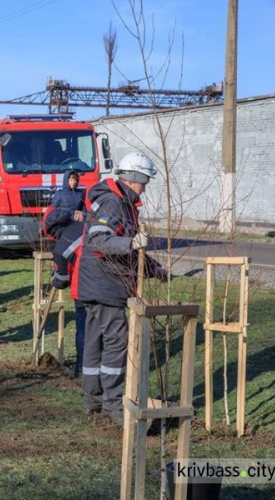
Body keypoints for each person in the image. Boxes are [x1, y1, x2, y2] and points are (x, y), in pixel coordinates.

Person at [75, 151, 170, 423]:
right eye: (144, 182)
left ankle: (93, 400)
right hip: (106, 284)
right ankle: (114, 405)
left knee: (95, 342)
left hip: (95, 283)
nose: (145, 188)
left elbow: (130, 252)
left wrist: (155, 269)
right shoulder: (115, 204)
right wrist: (132, 243)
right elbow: (101, 242)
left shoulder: (119, 202)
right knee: (117, 342)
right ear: (133, 178)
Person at [48, 218, 86, 379]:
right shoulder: (84, 226)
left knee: (84, 330)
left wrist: (55, 280)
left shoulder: (63, 242)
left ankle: (82, 369)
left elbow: (63, 280)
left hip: (84, 288)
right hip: (108, 288)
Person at [43, 170, 85, 241]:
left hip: (76, 223)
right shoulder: (59, 193)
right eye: (71, 179)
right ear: (66, 180)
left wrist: (83, 215)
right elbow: (53, 210)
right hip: (63, 222)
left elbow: (84, 208)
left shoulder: (80, 194)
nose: (73, 182)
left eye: (75, 180)